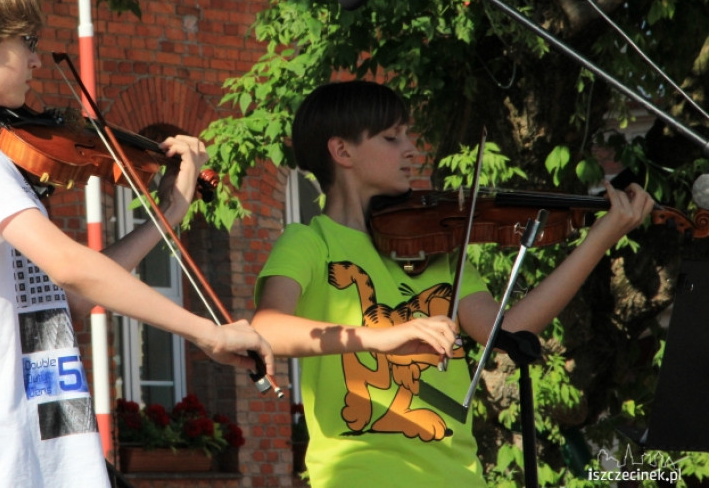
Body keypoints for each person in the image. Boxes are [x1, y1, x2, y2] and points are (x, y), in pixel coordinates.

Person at [0, 0, 274, 488]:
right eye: (26, 42)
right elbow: (71, 265)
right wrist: (206, 333)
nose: (37, 61)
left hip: (37, 454)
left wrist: (168, 214)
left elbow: (67, 296)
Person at [251, 80, 654, 487]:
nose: (411, 149)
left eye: (409, 135)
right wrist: (381, 337)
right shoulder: (310, 242)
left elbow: (510, 331)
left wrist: (601, 236)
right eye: (392, 138)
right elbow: (265, 329)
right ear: (342, 151)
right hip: (362, 474)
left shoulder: (432, 251)